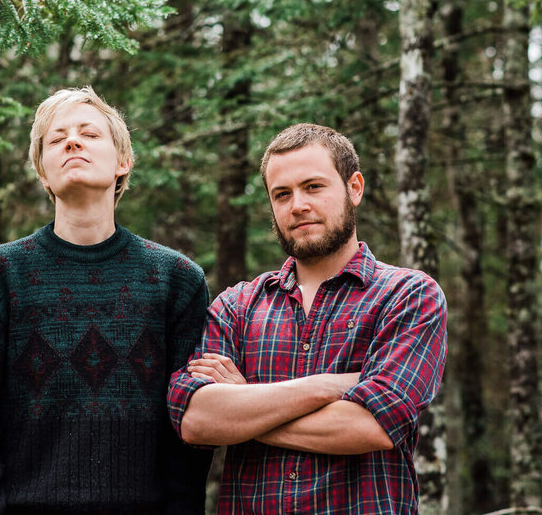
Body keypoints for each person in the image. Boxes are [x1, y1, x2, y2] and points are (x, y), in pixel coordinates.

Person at [0, 87, 212, 515]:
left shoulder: (177, 280)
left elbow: (187, 442)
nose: (72, 142)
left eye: (89, 133)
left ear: (122, 162)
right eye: (56, 139)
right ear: (43, 174)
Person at [166, 123, 447, 514]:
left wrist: (246, 404)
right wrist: (330, 387)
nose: (297, 205)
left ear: (355, 188)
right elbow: (195, 419)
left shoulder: (407, 295)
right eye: (282, 194)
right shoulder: (237, 305)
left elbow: (373, 425)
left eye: (313, 187)